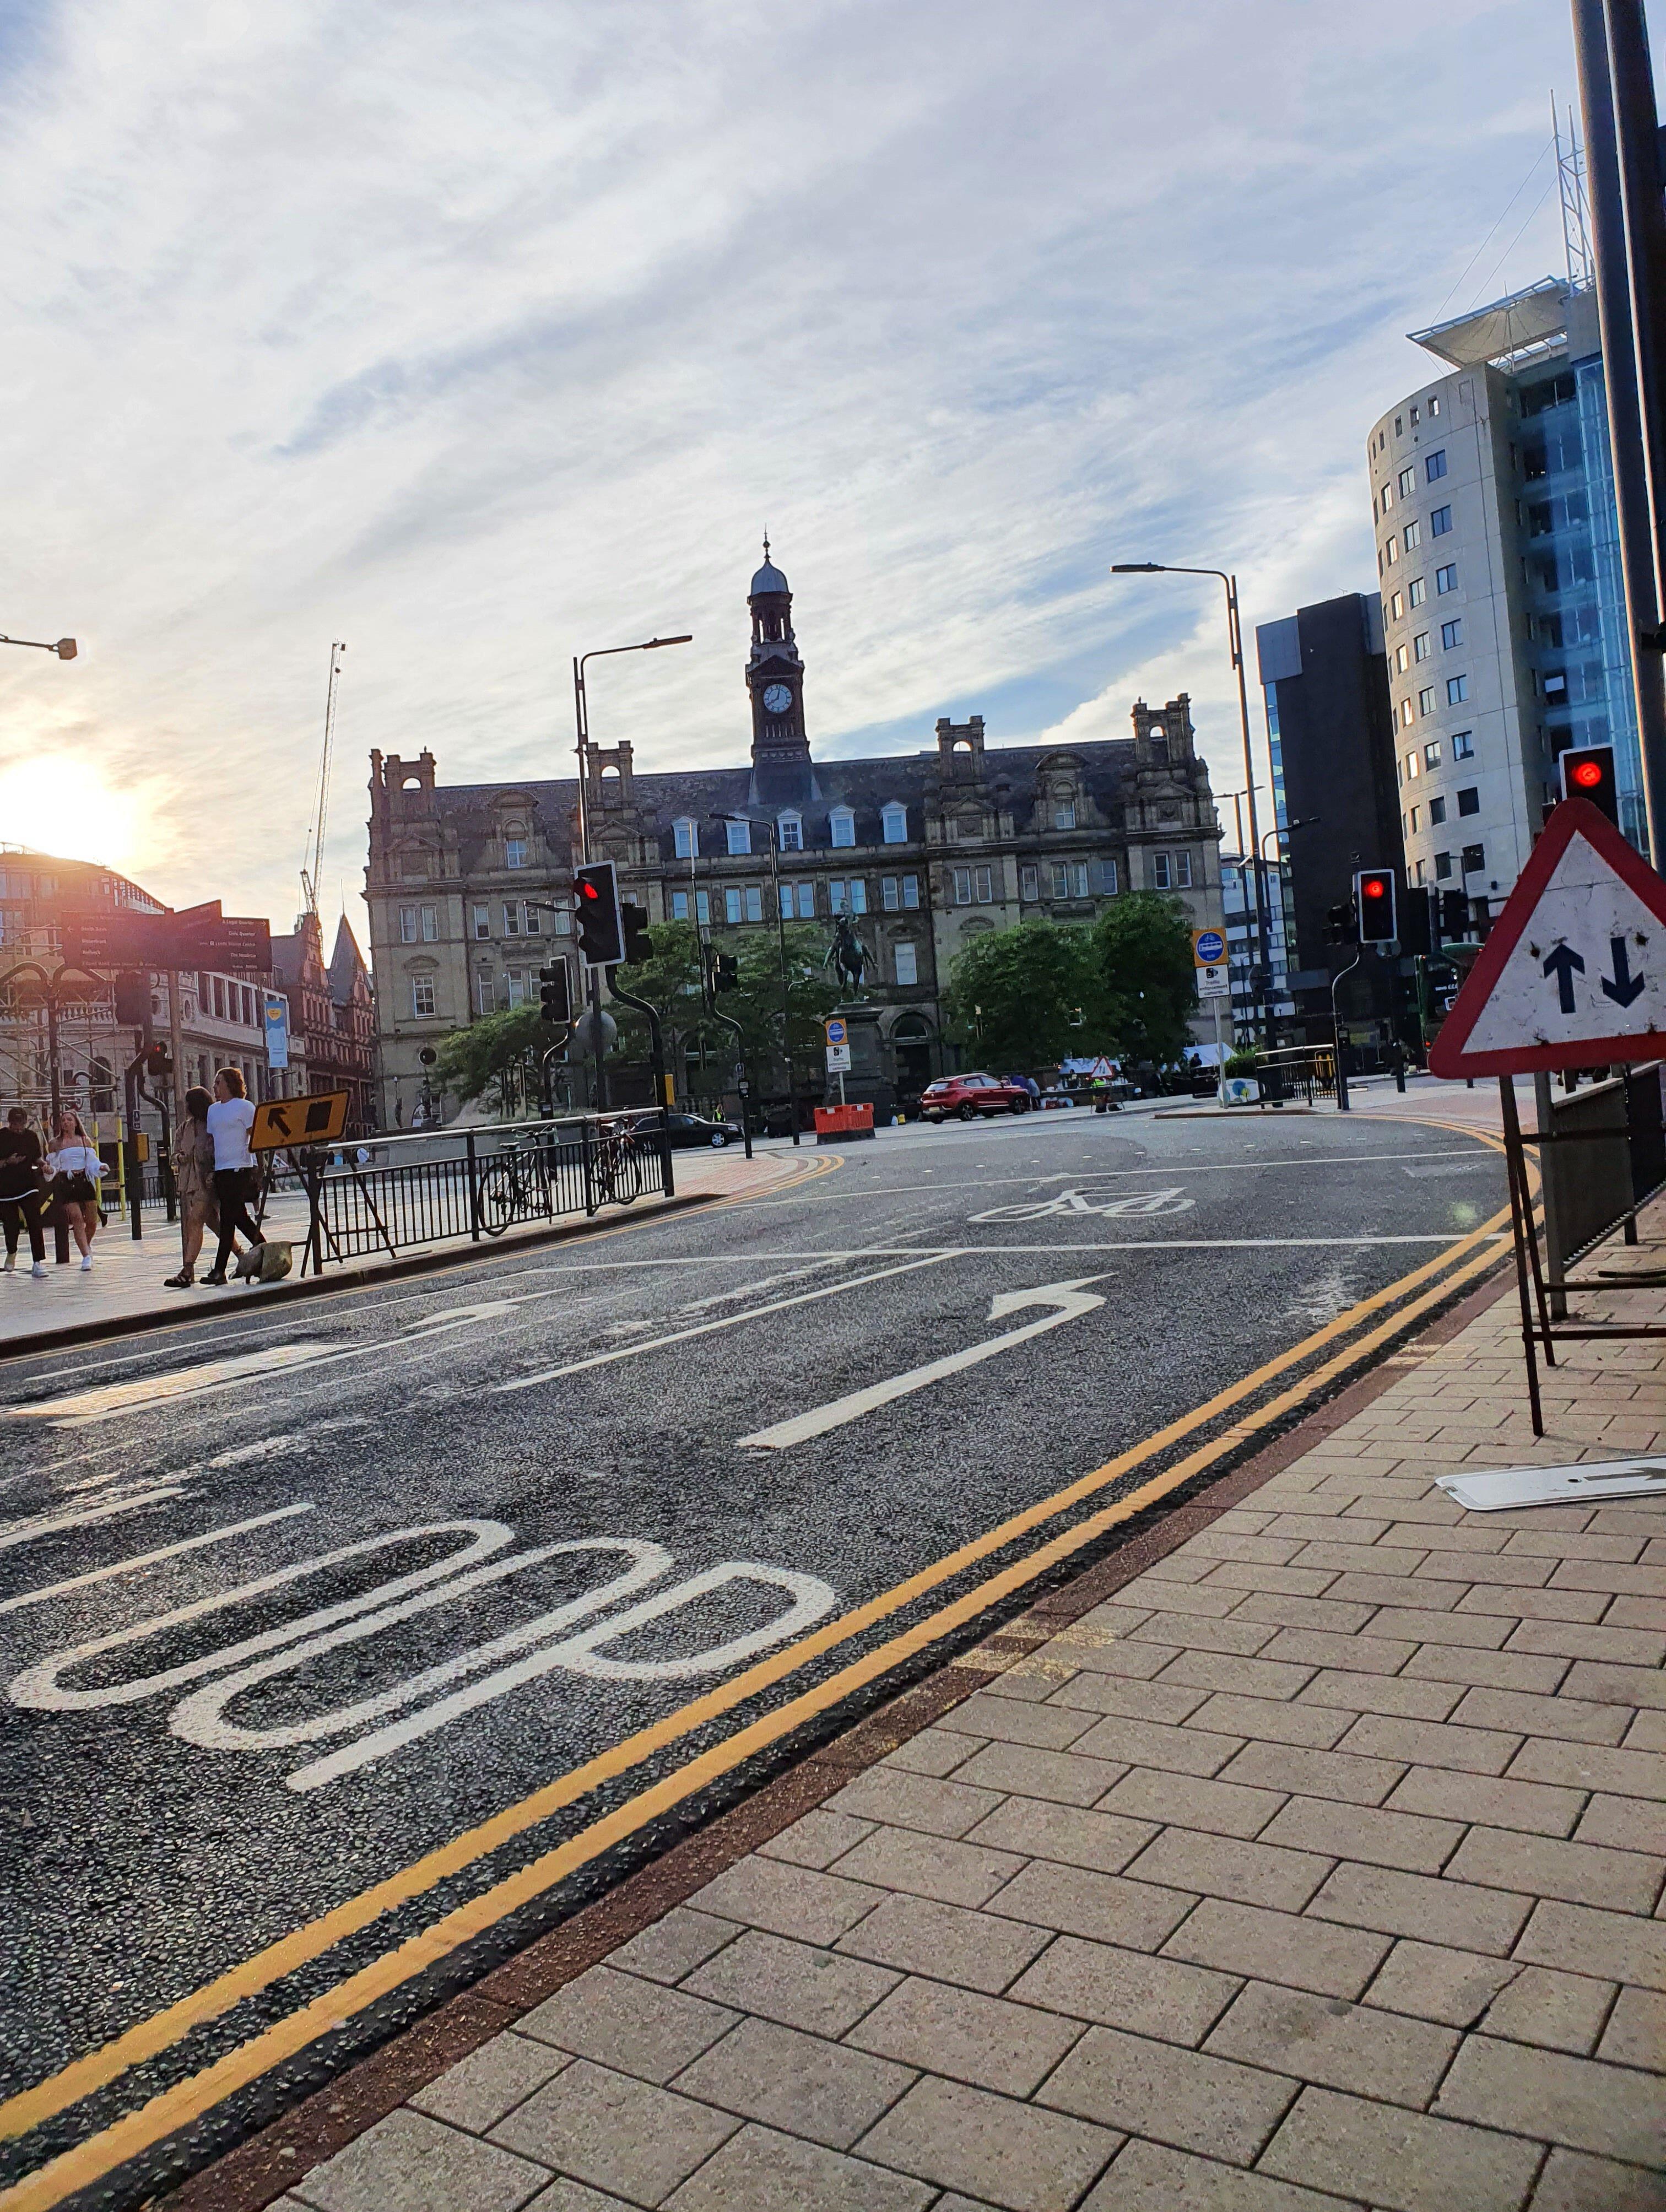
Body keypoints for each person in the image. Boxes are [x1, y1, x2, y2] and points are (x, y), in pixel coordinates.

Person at [203, 1068, 263, 1286]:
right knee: (239, 1218)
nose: (215, 1087)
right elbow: (212, 1141)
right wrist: (211, 1169)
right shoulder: (213, 1111)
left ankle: (219, 1271)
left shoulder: (246, 1107)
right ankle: (265, 1251)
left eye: (218, 1082)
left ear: (230, 1084)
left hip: (240, 1167)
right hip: (222, 1169)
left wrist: (259, 1168)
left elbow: (254, 1137)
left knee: (228, 1219)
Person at [165, 1086, 223, 1289]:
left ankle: (188, 1270)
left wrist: (214, 1171)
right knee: (214, 1224)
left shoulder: (213, 1125)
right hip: (189, 1182)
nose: (186, 1106)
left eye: (189, 1102)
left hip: (208, 1182)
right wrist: (181, 1157)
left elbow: (220, 1150)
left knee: (195, 1221)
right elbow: (174, 1155)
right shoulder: (185, 1128)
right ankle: (242, 1255)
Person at [47, 1110, 104, 1270]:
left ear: (76, 1123)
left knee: (92, 1221)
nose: (66, 1123)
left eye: (69, 1120)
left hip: (84, 1180)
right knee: (76, 1218)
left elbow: (92, 1161)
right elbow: (54, 1165)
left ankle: (87, 1246)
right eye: (63, 1120)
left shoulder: (85, 1141)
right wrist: (49, 1170)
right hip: (66, 1180)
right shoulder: (55, 1143)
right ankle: (86, 1255)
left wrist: (100, 1167)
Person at [0, 1106, 48, 1278]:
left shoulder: (31, 1137)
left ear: (26, 1122)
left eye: (21, 1123)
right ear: (9, 1122)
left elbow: (37, 1157)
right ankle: (12, 1251)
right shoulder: (2, 1137)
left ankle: (38, 1262)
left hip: (29, 1184)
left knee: (35, 1222)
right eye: (15, 1124)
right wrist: (8, 1162)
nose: (18, 1127)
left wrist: (44, 1165)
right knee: (11, 1225)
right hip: (6, 1188)